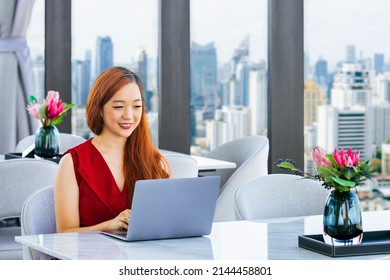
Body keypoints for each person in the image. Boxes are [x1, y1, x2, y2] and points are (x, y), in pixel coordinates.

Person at [54, 66, 170, 233]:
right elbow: (64, 234)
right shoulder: (72, 162)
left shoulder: (154, 161)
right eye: (118, 107)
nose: (129, 115)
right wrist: (108, 226)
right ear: (99, 109)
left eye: (137, 106)